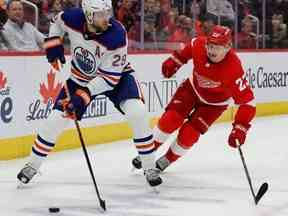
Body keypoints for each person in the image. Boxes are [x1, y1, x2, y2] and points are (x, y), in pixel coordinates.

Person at [17, 0, 162, 187]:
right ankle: (32, 165)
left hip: (116, 77)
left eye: (107, 12)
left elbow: (110, 79)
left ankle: (149, 166)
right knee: (55, 119)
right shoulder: (72, 17)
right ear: (87, 14)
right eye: (100, 14)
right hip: (80, 78)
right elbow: (57, 22)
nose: (106, 18)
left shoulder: (117, 34)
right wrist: (53, 42)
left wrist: (83, 96)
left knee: (137, 112)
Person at [132, 25, 256, 172]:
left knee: (189, 135)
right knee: (170, 119)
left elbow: (248, 102)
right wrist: (175, 61)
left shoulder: (234, 68)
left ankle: (167, 159)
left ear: (228, 47)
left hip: (214, 105)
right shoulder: (198, 44)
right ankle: (148, 152)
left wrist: (240, 127)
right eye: (210, 45)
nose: (211, 50)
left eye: (217, 47)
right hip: (191, 89)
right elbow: (185, 52)